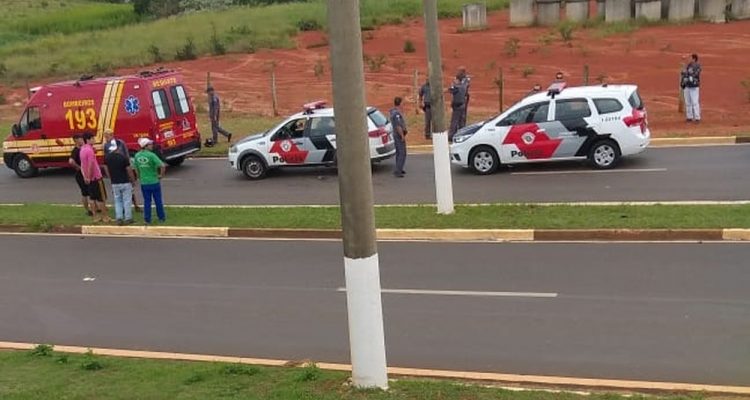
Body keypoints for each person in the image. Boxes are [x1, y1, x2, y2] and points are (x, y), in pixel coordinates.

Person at [103, 128, 141, 213]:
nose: (106, 138)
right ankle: (122, 207)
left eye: (107, 136)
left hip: (123, 166)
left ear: (112, 135)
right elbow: (106, 159)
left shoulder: (120, 143)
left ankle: (135, 205)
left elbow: (126, 154)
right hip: (114, 169)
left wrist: (130, 166)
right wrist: (109, 173)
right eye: (105, 137)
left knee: (129, 187)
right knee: (117, 190)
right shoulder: (106, 146)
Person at [79, 132, 111, 223]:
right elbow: (90, 164)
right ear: (88, 140)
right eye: (93, 138)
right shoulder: (89, 150)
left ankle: (95, 216)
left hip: (88, 178)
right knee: (101, 198)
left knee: (92, 198)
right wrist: (89, 176)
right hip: (96, 177)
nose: (94, 140)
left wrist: (85, 176)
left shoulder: (82, 149)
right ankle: (105, 217)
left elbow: (82, 165)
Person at [134, 137, 166, 224]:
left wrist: (139, 176)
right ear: (145, 146)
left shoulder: (137, 156)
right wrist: (161, 175)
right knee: (158, 200)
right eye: (150, 144)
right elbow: (162, 165)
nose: (152, 146)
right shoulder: (152, 155)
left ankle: (147, 219)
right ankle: (161, 217)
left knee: (147, 201)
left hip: (144, 182)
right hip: (154, 181)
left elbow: (136, 168)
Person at [104, 143, 136, 225]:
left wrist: (110, 177)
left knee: (118, 200)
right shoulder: (123, 158)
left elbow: (105, 168)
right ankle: (128, 218)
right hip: (125, 181)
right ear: (117, 148)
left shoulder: (107, 158)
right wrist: (133, 180)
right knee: (127, 200)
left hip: (115, 182)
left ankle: (119, 218)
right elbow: (129, 170)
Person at [68, 134, 92, 217]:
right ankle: (88, 210)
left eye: (82, 138)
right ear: (76, 140)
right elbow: (71, 161)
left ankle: (94, 208)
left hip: (85, 173)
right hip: (80, 175)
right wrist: (79, 167)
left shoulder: (84, 148)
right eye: (80, 139)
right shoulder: (76, 150)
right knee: (85, 193)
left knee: (90, 192)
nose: (82, 140)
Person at [389, 97, 407, 178]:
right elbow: (398, 126)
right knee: (402, 153)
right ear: (399, 103)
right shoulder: (396, 114)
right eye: (402, 103)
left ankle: (398, 168)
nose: (403, 104)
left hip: (396, 135)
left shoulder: (393, 112)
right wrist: (402, 136)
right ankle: (398, 170)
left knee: (399, 152)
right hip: (398, 135)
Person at [681, 53, 702, 123]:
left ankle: (697, 117)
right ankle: (689, 117)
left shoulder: (697, 65)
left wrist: (686, 74)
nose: (689, 59)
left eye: (690, 58)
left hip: (693, 87)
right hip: (687, 86)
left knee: (695, 102)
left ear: (694, 59)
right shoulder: (688, 65)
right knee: (688, 102)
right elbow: (683, 73)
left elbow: (694, 74)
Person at [448, 73, 468, 138]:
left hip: (457, 106)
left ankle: (451, 135)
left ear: (457, 79)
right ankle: (462, 135)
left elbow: (450, 90)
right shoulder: (464, 86)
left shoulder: (456, 87)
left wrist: (452, 85)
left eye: (455, 79)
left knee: (454, 121)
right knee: (461, 122)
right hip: (462, 105)